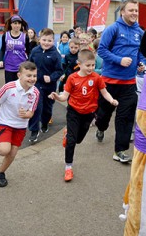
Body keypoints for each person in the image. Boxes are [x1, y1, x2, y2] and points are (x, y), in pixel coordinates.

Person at [49, 49, 118, 181]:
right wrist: (57, 97)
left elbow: (104, 92)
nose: (91, 68)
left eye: (93, 65)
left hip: (89, 113)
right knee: (71, 141)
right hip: (74, 112)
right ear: (79, 64)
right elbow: (64, 97)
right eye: (88, 65)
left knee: (79, 140)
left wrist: (111, 100)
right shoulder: (72, 78)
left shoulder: (96, 77)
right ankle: (68, 167)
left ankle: (68, 133)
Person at [95, 0, 145, 163]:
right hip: (109, 84)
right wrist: (119, 60)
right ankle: (101, 128)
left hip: (129, 84)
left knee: (125, 118)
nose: (134, 13)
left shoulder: (139, 32)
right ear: (122, 12)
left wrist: (141, 63)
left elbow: (142, 52)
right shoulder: (113, 29)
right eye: (131, 10)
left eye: (136, 11)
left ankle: (120, 150)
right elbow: (101, 50)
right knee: (103, 115)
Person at [0, 61, 40, 187]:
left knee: (12, 153)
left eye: (34, 76)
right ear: (19, 75)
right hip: (6, 123)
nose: (32, 79)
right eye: (29, 75)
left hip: (21, 126)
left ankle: (0, 173)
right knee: (4, 150)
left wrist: (27, 115)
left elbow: (32, 112)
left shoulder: (35, 92)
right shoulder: (9, 87)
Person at [27, 28, 63, 142]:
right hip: (36, 83)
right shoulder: (35, 51)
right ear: (39, 39)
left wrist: (51, 77)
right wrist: (28, 77)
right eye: (44, 40)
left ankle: (45, 123)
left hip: (49, 86)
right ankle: (34, 130)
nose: (46, 43)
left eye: (49, 40)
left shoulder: (55, 54)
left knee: (47, 108)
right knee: (36, 106)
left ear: (53, 41)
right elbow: (29, 65)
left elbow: (59, 70)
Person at [0, 14, 30, 83]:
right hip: (9, 66)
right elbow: (2, 49)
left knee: (21, 88)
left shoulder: (25, 37)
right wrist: (0, 60)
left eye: (19, 23)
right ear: (11, 25)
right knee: (10, 88)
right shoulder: (5, 35)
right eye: (15, 23)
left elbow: (29, 51)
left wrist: (29, 63)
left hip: (21, 66)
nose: (17, 25)